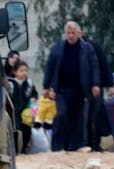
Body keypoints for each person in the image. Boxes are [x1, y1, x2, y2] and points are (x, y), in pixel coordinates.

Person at [42, 21, 99, 152]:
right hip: (61, 89)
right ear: (65, 34)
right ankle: (57, 147)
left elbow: (94, 67)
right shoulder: (57, 48)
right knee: (61, 114)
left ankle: (75, 146)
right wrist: (46, 86)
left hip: (79, 89)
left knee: (77, 118)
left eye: (73, 33)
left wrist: (95, 84)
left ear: (78, 33)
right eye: (69, 33)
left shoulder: (87, 48)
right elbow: (49, 67)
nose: (71, 36)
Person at [83, 29, 114, 151]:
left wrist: (110, 85)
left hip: (95, 87)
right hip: (78, 90)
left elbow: (103, 65)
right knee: (82, 118)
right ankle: (84, 144)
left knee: (95, 116)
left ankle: (95, 145)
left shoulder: (93, 46)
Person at [10, 61, 38, 153]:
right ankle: (16, 150)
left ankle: (24, 149)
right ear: (15, 72)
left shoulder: (29, 83)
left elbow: (34, 93)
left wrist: (34, 98)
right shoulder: (11, 83)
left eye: (26, 70)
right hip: (15, 111)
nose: (24, 73)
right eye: (21, 70)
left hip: (26, 111)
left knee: (27, 130)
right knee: (17, 131)